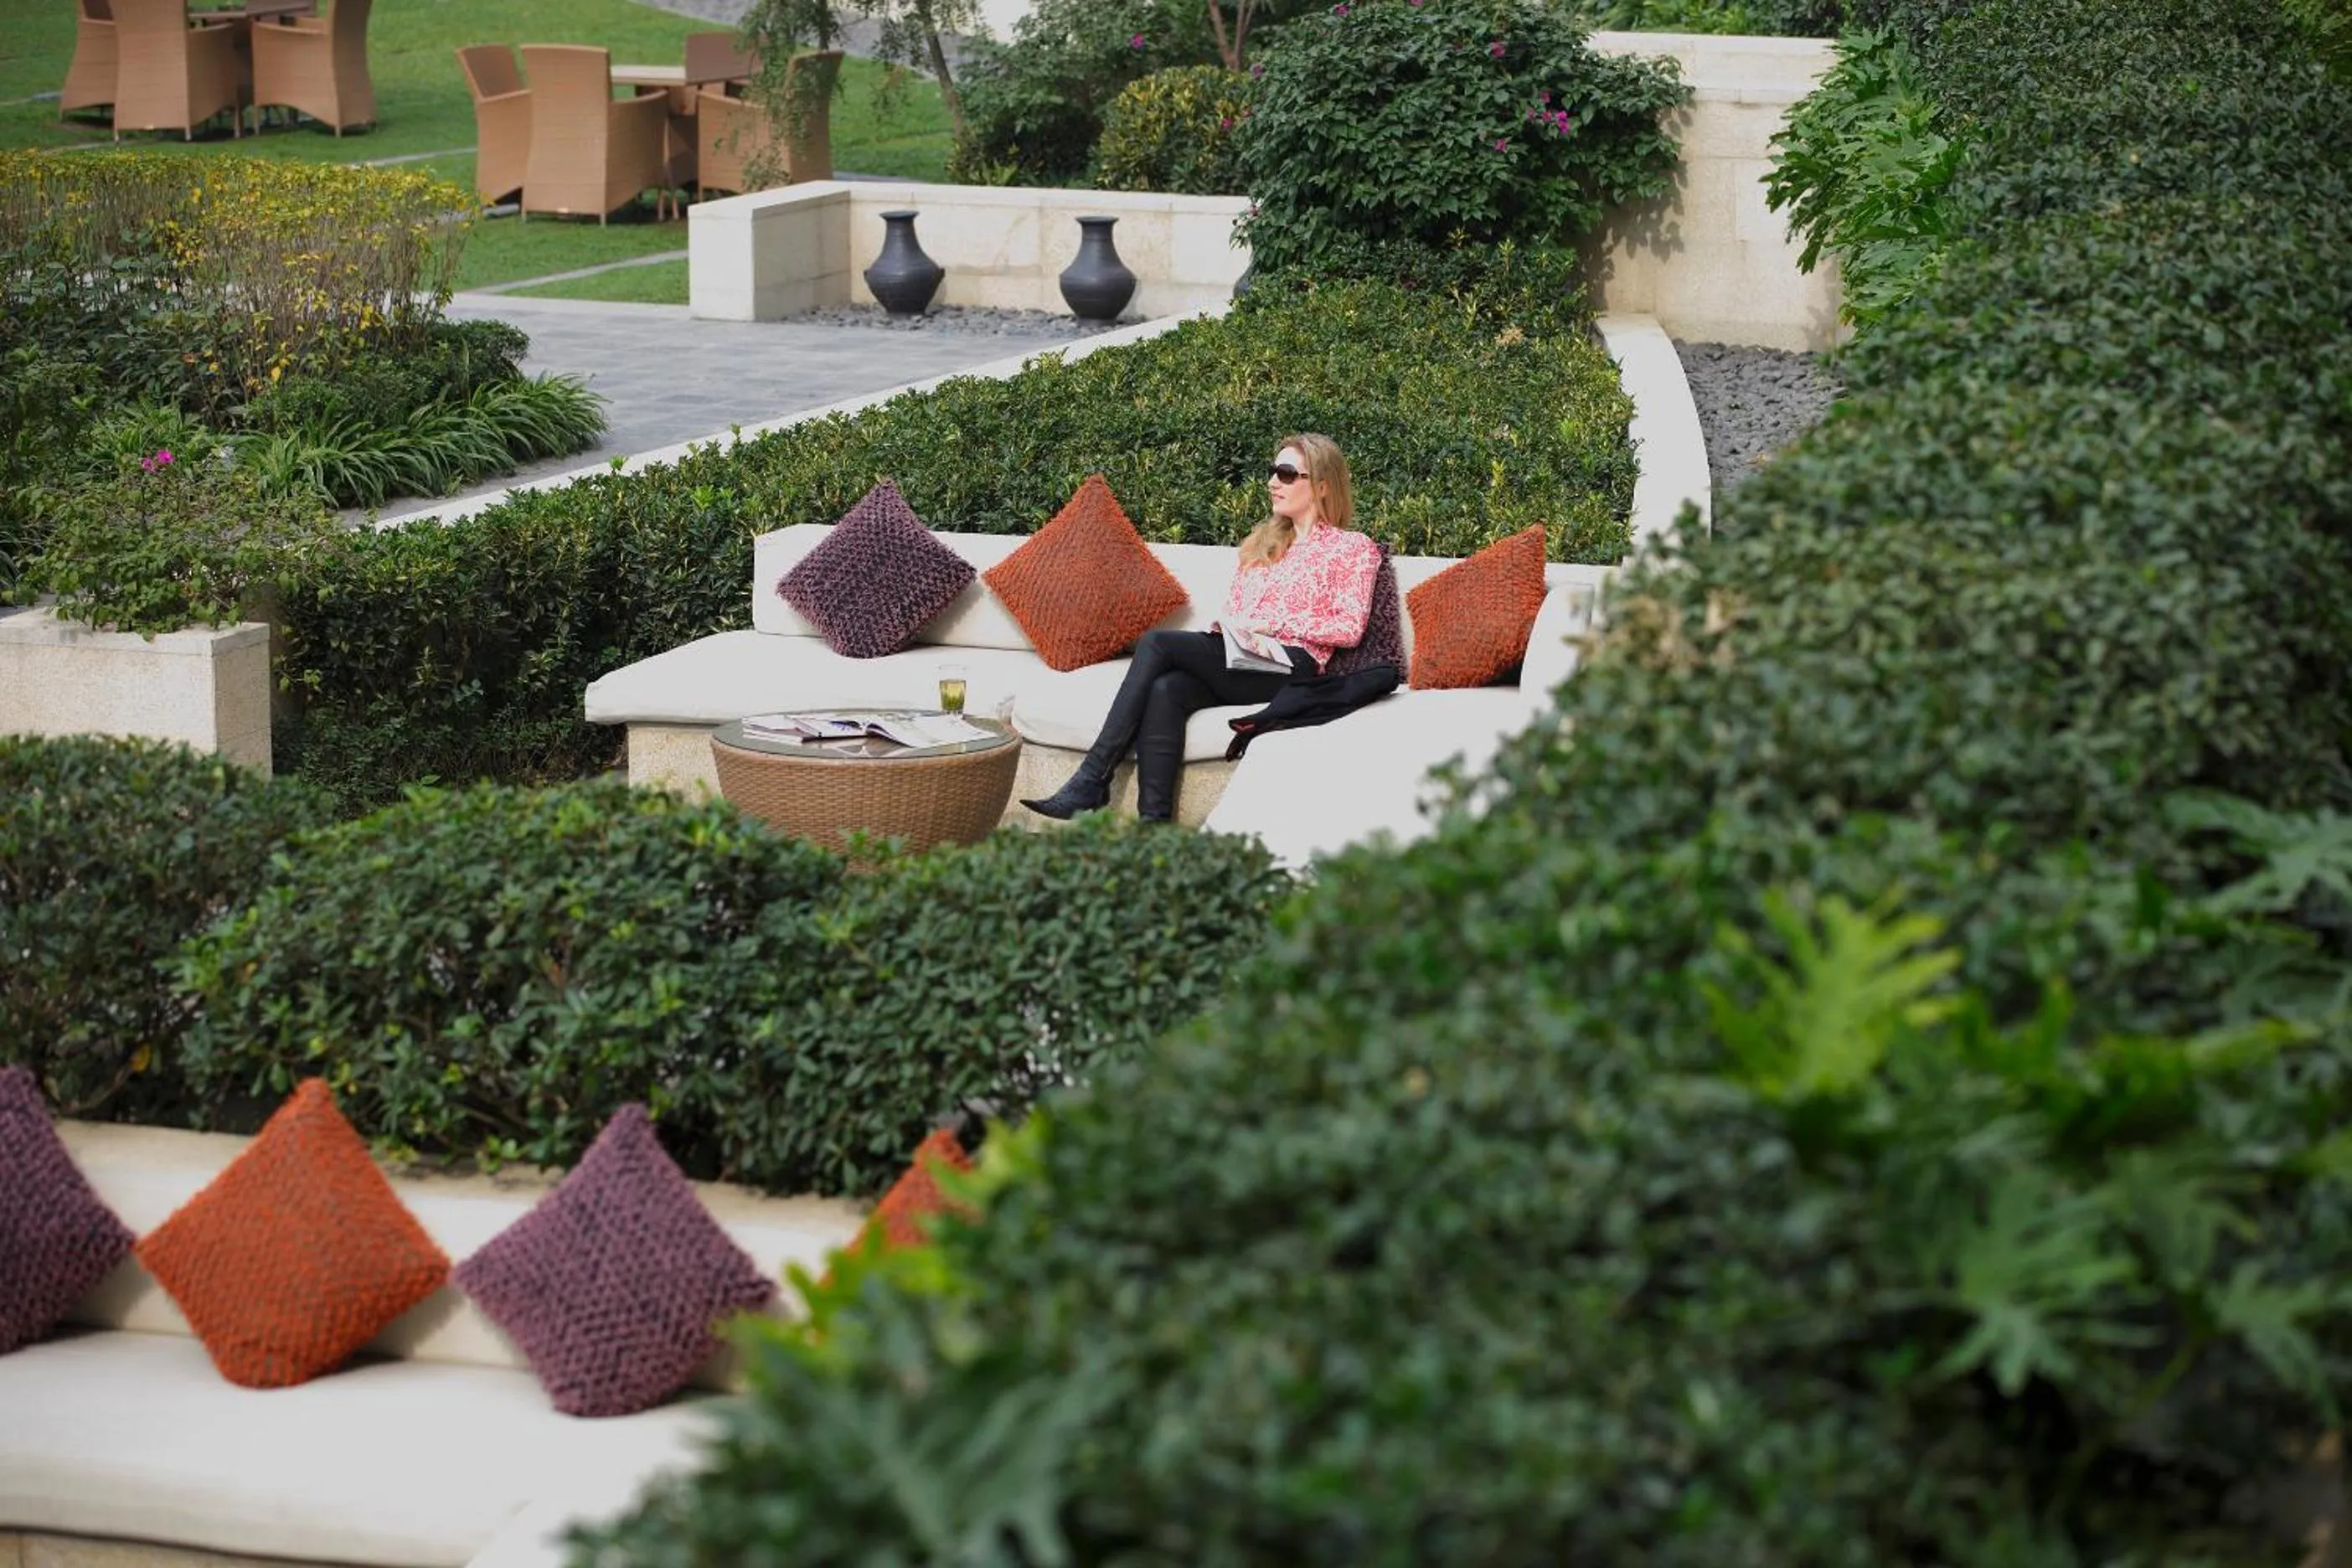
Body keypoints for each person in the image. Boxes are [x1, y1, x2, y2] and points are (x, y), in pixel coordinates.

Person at [1022, 433, 1383, 823]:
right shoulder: (1262, 544)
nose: (1272, 482)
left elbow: (1348, 628)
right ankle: (1154, 829)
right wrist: (1233, 627)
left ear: (1323, 486)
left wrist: (1268, 624)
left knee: (1158, 643)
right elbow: (1236, 610)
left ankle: (1092, 780)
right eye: (1271, 472)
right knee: (1167, 689)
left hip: (1293, 665)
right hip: (1244, 656)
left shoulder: (1353, 548)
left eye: (1286, 473)